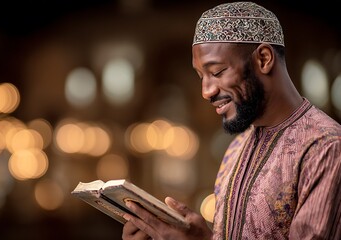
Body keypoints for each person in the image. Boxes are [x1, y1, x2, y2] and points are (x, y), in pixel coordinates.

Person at [121, 1, 341, 239]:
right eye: (200, 76)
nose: (206, 91)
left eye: (216, 72)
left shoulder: (326, 148)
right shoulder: (238, 147)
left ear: (264, 59)